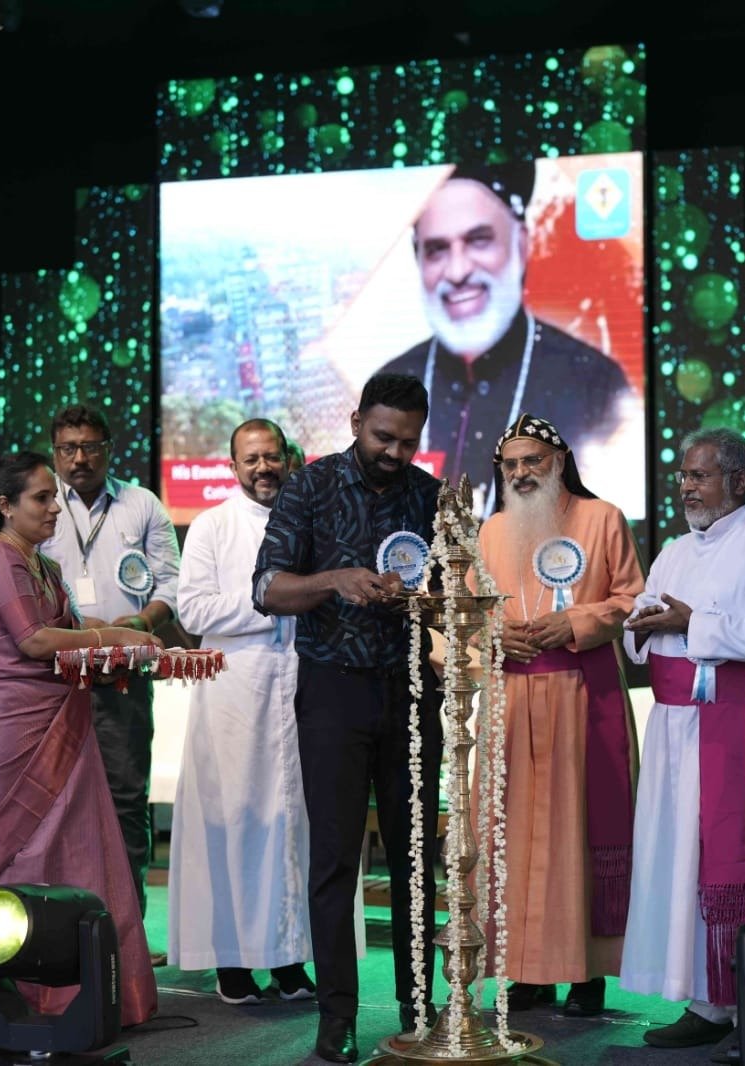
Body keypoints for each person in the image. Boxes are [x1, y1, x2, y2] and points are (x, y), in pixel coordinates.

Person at [252, 373, 444, 1064]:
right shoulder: (310, 486)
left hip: (412, 691)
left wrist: (420, 600)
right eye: (383, 436)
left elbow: (456, 591)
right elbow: (266, 588)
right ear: (357, 420)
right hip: (332, 691)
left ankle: (420, 1010)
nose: (395, 452)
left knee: (416, 858)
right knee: (335, 860)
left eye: (408, 441)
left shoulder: (430, 495)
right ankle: (336, 1020)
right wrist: (336, 579)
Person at [0, 451, 163, 1028]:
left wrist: (122, 642)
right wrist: (117, 637)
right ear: (5, 505)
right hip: (12, 723)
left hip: (63, 716)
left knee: (80, 845)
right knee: (22, 848)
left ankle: (86, 991)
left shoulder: (42, 564)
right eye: (41, 498)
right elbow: (31, 639)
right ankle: (22, 993)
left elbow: (72, 631)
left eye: (54, 497)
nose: (54, 508)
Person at [618, 429, 745, 1048]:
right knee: (681, 859)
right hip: (675, 729)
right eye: (684, 477)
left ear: (738, 481)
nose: (686, 488)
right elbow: (641, 624)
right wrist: (644, 623)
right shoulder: (672, 551)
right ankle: (703, 998)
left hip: (739, 730)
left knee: (744, 851)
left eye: (700, 476)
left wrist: (692, 622)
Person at [476, 413, 645, 1017]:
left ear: (560, 461)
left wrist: (573, 621)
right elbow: (473, 606)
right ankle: (525, 971)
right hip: (512, 697)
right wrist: (495, 633)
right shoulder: (491, 529)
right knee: (514, 836)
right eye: (511, 465)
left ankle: (587, 972)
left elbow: (631, 599)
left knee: (578, 832)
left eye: (533, 461)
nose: (522, 473)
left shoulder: (603, 518)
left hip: (581, 695)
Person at [378, 163, 643, 515]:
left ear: (520, 242)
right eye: (437, 249)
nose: (457, 271)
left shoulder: (596, 384)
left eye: (478, 240)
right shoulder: (389, 386)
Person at [169, 417, 317, 1004]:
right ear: (232, 467)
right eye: (250, 459)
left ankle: (288, 959)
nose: (263, 468)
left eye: (271, 457)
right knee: (236, 823)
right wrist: (274, 602)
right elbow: (194, 610)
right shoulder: (213, 525)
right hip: (235, 692)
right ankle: (232, 962)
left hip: (301, 686)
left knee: (293, 824)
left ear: (288, 460)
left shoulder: (310, 519)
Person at [40, 404, 181, 961]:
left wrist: (143, 623)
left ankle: (127, 937)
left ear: (109, 450)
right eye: (68, 448)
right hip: (53, 679)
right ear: (54, 453)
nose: (79, 458)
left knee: (125, 800)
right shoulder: (39, 503)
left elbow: (171, 582)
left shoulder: (141, 504)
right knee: (57, 801)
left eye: (90, 447)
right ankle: (59, 935)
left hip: (124, 674)